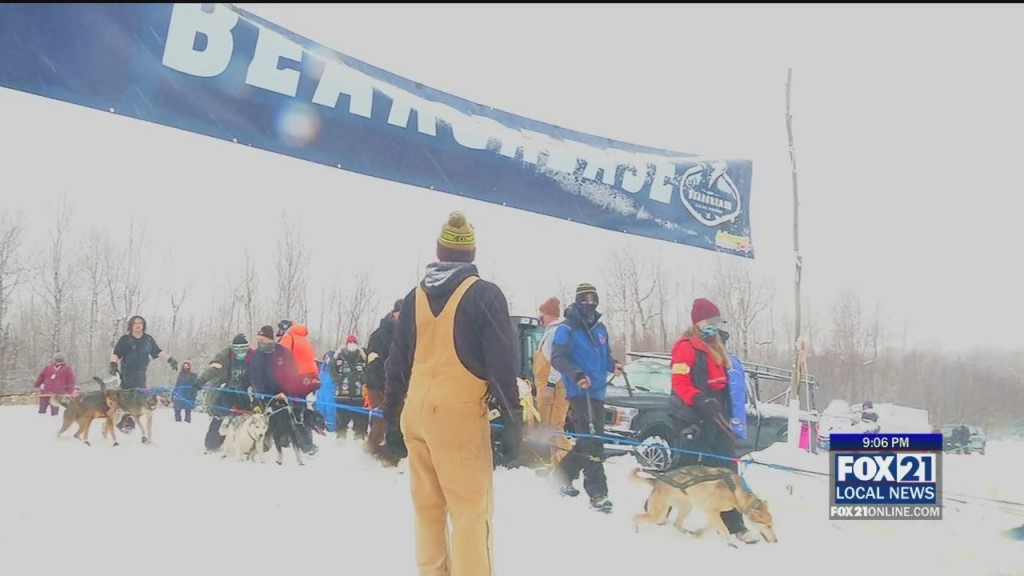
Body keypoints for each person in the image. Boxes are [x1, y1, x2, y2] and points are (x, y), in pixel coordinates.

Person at [383, 211, 521, 576]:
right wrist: (513, 422)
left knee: (427, 511)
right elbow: (502, 365)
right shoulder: (485, 295)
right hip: (457, 418)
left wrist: (391, 418)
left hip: (415, 412)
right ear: (472, 253)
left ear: (439, 251)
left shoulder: (414, 297)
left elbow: (395, 363)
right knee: (471, 513)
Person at [668, 297, 759, 545]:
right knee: (684, 467)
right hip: (692, 413)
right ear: (698, 322)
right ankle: (659, 506)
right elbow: (680, 382)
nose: (714, 326)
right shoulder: (685, 346)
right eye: (710, 321)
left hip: (716, 414)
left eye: (716, 322)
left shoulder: (718, 348)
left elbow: (725, 385)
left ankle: (735, 524)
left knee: (727, 469)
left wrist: (729, 411)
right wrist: (699, 399)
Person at [549, 283, 622, 513]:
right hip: (579, 392)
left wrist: (614, 365)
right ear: (578, 301)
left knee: (587, 439)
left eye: (594, 298)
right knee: (593, 440)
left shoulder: (601, 329)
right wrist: (577, 374)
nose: (590, 303)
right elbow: (558, 359)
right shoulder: (567, 329)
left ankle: (560, 477)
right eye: (586, 299)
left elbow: (605, 357)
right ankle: (598, 494)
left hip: (598, 391)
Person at [110, 315, 177, 432]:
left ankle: (131, 423)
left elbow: (158, 351)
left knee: (139, 399)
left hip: (141, 374)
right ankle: (120, 422)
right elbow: (116, 353)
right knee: (125, 399)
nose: (138, 325)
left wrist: (170, 359)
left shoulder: (148, 340)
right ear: (131, 325)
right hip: (126, 373)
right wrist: (113, 364)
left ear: (143, 326)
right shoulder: (125, 339)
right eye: (135, 323)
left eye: (140, 323)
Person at [195, 334, 254, 452]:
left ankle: (246, 442)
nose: (240, 352)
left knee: (245, 417)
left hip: (245, 392)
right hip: (226, 391)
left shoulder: (254, 357)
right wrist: (201, 380)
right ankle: (213, 441)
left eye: (243, 349)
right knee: (221, 413)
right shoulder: (225, 356)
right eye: (237, 349)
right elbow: (214, 368)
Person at [532, 296, 571, 469]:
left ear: (548, 315)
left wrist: (550, 384)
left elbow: (557, 361)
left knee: (555, 427)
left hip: (555, 388)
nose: (540, 318)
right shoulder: (549, 332)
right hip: (546, 387)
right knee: (548, 427)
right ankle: (555, 463)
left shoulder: (557, 332)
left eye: (542, 315)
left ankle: (567, 464)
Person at [363, 299, 403, 466]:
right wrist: (382, 380)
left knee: (398, 420)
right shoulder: (379, 335)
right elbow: (373, 360)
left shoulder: (406, 334)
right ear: (394, 313)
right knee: (381, 419)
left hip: (399, 384)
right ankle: (369, 452)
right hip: (377, 383)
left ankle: (391, 455)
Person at [332, 334, 368, 440]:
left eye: (353, 342)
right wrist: (338, 379)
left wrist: (363, 380)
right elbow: (332, 369)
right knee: (341, 415)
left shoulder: (361, 357)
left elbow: (367, 371)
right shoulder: (339, 355)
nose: (351, 344)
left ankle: (359, 435)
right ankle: (341, 435)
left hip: (357, 394)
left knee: (359, 416)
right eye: (350, 342)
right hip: (342, 393)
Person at [277, 320, 320, 398]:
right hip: (311, 376)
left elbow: (280, 355)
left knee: (293, 401)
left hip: (297, 375)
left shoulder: (288, 338)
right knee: (302, 400)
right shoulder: (304, 339)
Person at [719, 331, 748, 441]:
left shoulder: (730, 364)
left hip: (723, 423)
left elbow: (737, 395)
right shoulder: (710, 360)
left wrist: (736, 425)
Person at [33, 352, 76, 416]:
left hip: (58, 393)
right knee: (43, 405)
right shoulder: (48, 367)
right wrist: (36, 385)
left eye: (60, 358)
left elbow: (71, 381)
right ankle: (41, 416)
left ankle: (54, 418)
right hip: (46, 390)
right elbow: (41, 376)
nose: (58, 360)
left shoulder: (67, 368)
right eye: (57, 358)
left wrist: (69, 392)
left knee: (54, 406)